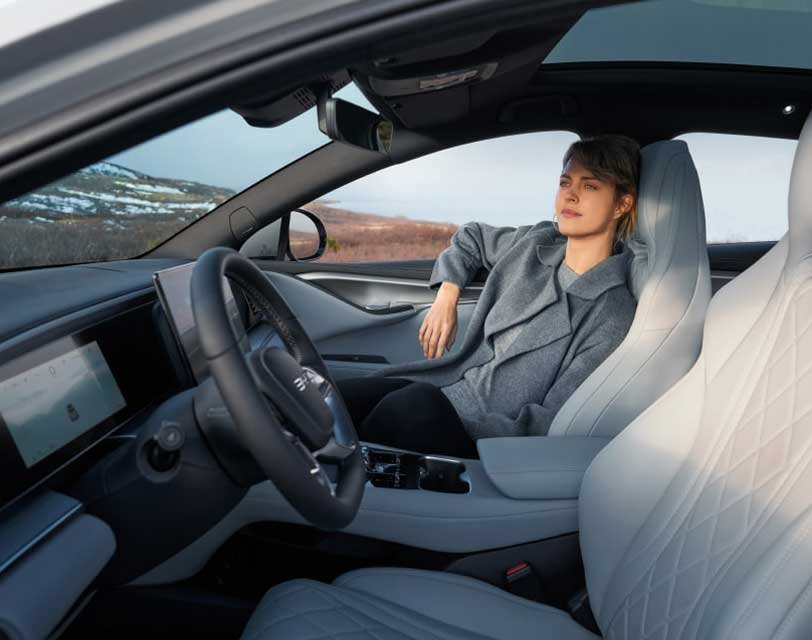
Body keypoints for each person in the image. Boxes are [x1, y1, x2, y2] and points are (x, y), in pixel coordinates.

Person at [337, 134, 640, 458]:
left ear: (621, 205)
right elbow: (471, 237)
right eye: (565, 182)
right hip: (446, 386)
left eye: (590, 186)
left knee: (406, 407)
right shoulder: (537, 241)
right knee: (329, 395)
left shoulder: (612, 313)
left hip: (480, 432)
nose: (571, 194)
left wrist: (470, 429)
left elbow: (554, 418)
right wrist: (447, 296)